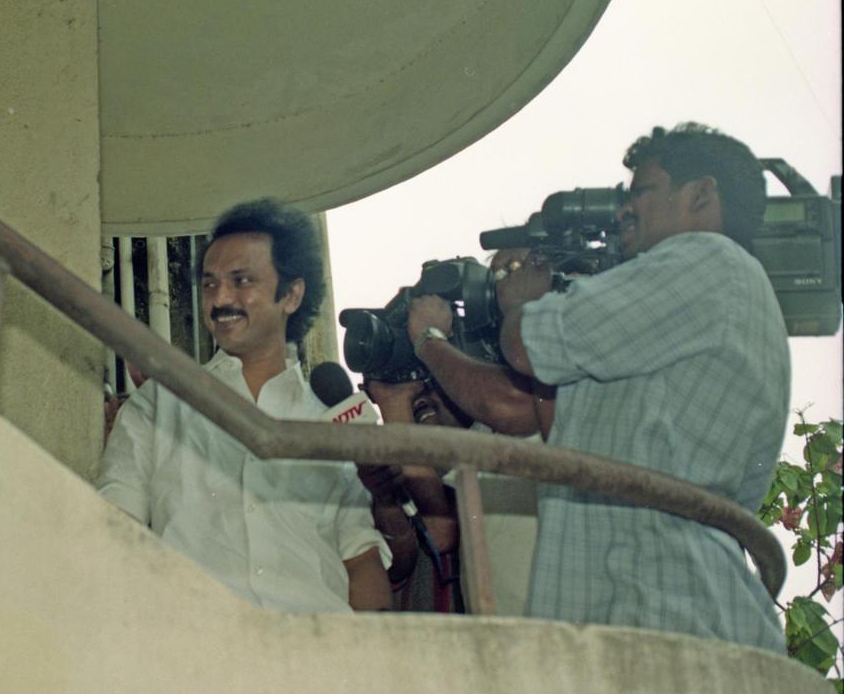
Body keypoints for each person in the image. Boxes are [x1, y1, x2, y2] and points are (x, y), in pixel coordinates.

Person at [408, 122, 789, 652]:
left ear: (701, 195)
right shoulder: (719, 292)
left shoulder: (706, 260)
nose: (622, 210)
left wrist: (516, 305)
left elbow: (529, 345)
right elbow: (558, 419)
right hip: (641, 619)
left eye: (641, 192)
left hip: (657, 619)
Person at [96, 198, 392, 613]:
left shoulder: (328, 424)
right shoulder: (159, 403)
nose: (220, 300)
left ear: (290, 295)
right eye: (210, 283)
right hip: (196, 650)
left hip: (317, 656)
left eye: (242, 280)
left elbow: (361, 563)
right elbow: (112, 531)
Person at [359, 378, 464, 613]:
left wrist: (394, 404)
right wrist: (386, 502)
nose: (418, 395)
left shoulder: (489, 451)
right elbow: (395, 566)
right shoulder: (380, 475)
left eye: (427, 379)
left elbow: (440, 532)